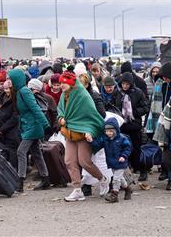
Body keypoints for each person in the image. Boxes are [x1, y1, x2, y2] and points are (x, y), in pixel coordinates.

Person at [57, 71, 109, 202]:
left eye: (64, 83)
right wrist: (61, 119)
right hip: (69, 133)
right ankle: (77, 190)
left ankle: (103, 179)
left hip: (83, 133)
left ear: (71, 83)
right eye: (61, 82)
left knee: (84, 162)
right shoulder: (64, 95)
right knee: (69, 161)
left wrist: (89, 131)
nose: (61, 85)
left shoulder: (83, 96)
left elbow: (92, 116)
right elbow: (60, 111)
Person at [8, 68, 51, 192]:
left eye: (10, 79)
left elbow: (35, 108)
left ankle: (20, 182)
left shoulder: (24, 91)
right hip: (29, 126)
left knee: (21, 152)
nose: (8, 82)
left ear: (16, 80)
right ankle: (45, 179)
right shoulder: (18, 91)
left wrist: (46, 125)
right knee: (36, 153)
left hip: (33, 126)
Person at [111, 72, 150, 179]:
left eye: (127, 84)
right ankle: (124, 174)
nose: (125, 86)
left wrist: (134, 112)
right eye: (123, 84)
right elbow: (112, 106)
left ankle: (142, 170)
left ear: (131, 84)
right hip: (121, 126)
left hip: (134, 125)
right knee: (122, 151)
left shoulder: (138, 93)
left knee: (137, 149)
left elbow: (146, 107)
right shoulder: (116, 93)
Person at [88, 118, 132, 203]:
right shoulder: (105, 139)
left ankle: (114, 195)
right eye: (107, 131)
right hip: (112, 163)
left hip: (121, 162)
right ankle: (128, 189)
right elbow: (97, 145)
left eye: (111, 131)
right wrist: (91, 141)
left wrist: (124, 156)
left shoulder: (122, 138)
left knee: (115, 179)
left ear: (116, 130)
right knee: (120, 179)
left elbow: (127, 148)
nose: (108, 133)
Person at [0, 79, 20, 170]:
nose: (7, 91)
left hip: (12, 130)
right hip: (4, 130)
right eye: (5, 89)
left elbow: (14, 118)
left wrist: (1, 129)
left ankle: (15, 171)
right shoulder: (1, 98)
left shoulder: (15, 99)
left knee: (13, 151)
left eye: (9, 88)